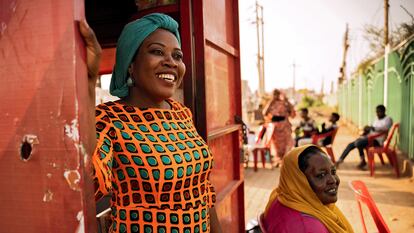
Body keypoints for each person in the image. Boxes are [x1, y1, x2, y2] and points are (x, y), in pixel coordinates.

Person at [79, 13, 222, 233]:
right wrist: (88, 82)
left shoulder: (182, 113)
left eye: (177, 56)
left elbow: (204, 192)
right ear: (130, 65)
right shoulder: (109, 118)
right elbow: (89, 183)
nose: (171, 62)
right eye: (157, 52)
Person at [263, 145, 354, 233]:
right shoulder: (308, 227)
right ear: (299, 181)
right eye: (321, 175)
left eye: (333, 172)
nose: (333, 180)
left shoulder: (281, 196)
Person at [336, 105, 392, 169]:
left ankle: (363, 161)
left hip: (377, 141)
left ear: (384, 111)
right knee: (351, 144)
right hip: (369, 138)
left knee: (358, 143)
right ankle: (340, 160)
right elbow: (372, 128)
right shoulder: (376, 119)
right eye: (376, 112)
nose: (377, 113)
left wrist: (371, 128)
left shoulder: (388, 119)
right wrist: (366, 130)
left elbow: (384, 128)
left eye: (379, 112)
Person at [262, 89, 295, 167]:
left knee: (287, 144)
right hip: (275, 128)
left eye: (277, 94)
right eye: (274, 94)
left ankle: (285, 161)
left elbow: (292, 112)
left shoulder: (284, 103)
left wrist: (287, 100)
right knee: (276, 145)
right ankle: (278, 160)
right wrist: (271, 102)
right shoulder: (271, 104)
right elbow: (264, 113)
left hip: (284, 126)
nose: (276, 96)